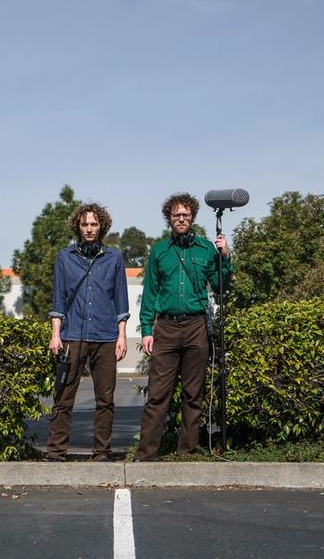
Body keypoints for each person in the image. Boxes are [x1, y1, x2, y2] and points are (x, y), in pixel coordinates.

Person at [134, 192, 233, 461]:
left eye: (186, 215)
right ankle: (145, 454)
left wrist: (225, 256)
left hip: (196, 326)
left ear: (192, 218)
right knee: (157, 394)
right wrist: (146, 330)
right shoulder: (159, 251)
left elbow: (223, 286)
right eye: (176, 215)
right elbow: (150, 293)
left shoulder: (205, 249)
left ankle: (186, 452)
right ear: (169, 218)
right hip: (165, 328)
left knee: (194, 393)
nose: (181, 219)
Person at [46, 203, 130, 462]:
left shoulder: (114, 258)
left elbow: (121, 300)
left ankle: (101, 452)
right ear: (78, 227)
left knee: (105, 400)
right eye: (85, 224)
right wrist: (55, 334)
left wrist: (122, 336)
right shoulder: (65, 257)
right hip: (72, 335)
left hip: (106, 337)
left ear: (101, 226)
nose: (90, 229)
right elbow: (58, 300)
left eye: (94, 224)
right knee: (63, 398)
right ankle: (56, 452)